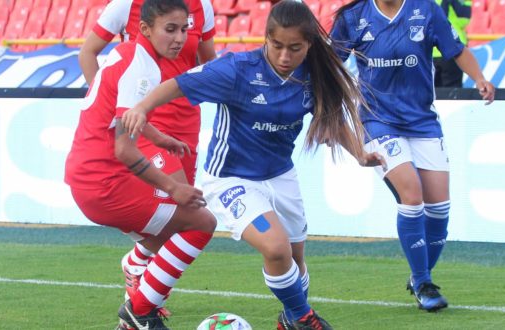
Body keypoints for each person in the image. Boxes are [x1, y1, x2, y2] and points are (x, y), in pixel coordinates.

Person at [122, 1, 384, 328]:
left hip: (281, 176)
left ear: (309, 46)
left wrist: (359, 153)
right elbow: (179, 84)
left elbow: (329, 118)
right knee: (276, 249)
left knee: (296, 262)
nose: (285, 56)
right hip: (231, 178)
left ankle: (291, 319)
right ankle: (303, 318)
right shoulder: (237, 69)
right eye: (277, 46)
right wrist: (142, 108)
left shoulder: (313, 75)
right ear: (266, 38)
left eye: (295, 48)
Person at [330, 0, 495, 312]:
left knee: (440, 209)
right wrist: (326, 111)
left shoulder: (426, 9)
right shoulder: (353, 17)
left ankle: (421, 274)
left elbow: (456, 49)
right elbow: (329, 65)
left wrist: (479, 78)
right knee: (412, 194)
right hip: (378, 121)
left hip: (422, 121)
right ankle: (422, 282)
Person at [65, 0, 216, 328]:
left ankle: (136, 311)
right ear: (145, 29)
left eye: (184, 30)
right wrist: (173, 187)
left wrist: (159, 138)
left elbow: (121, 114)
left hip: (89, 176)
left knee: (170, 238)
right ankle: (140, 310)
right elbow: (124, 149)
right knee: (201, 222)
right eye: (170, 30)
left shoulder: (128, 53)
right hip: (105, 183)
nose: (179, 38)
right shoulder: (143, 66)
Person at [433, 0, 472, 87]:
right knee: (452, 92)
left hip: (430, 51)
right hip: (451, 49)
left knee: (433, 92)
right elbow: (464, 19)